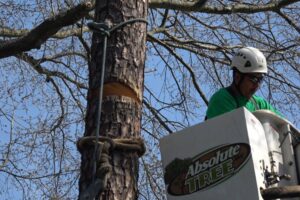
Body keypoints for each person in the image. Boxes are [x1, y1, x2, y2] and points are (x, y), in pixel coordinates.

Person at [205, 47, 282, 120]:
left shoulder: (259, 104)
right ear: (238, 77)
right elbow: (231, 132)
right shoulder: (222, 99)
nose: (257, 85)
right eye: (253, 79)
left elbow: (283, 124)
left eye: (260, 79)